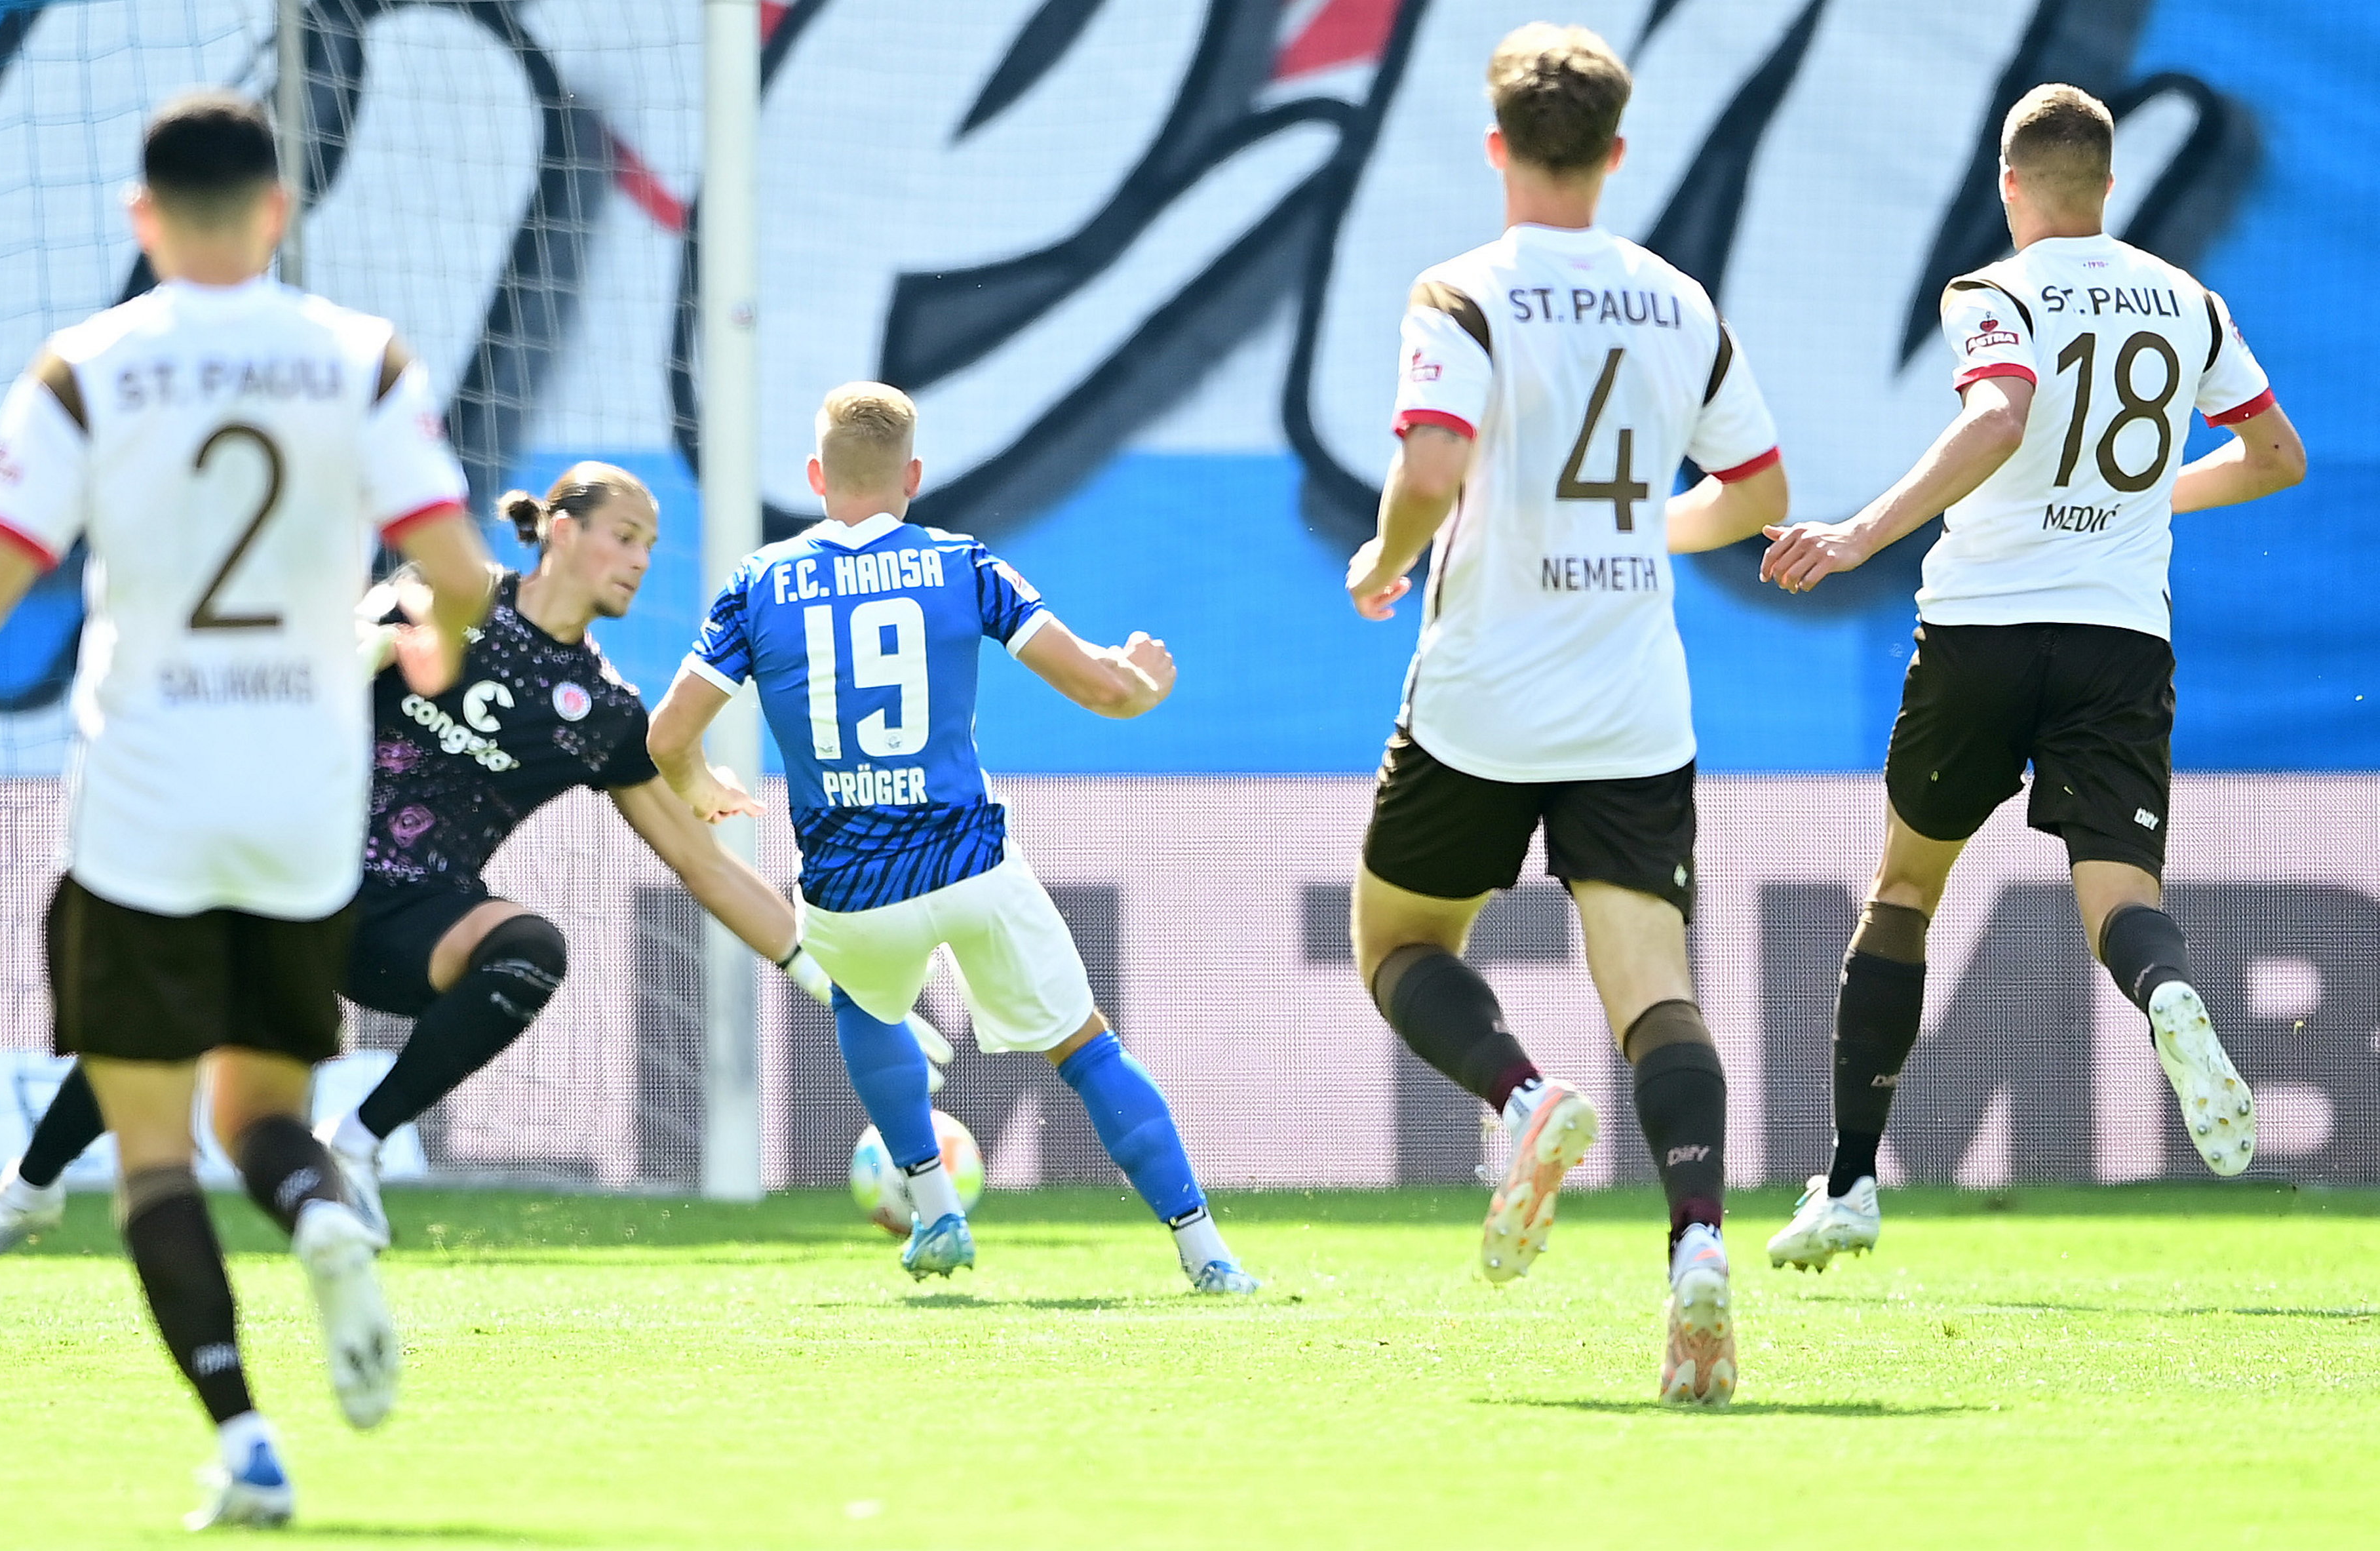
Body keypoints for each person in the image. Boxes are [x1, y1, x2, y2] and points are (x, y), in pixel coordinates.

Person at [0, 90, 497, 1528]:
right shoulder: (358, 358)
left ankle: (246, 1436)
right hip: (300, 799)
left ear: (140, 219)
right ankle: (324, 1214)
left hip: (146, 796)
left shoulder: (90, 368)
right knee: (268, 1109)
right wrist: (437, 645)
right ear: (278, 212)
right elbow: (453, 570)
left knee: (155, 1152)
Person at [0, 461, 954, 1257]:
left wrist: (843, 986)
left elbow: (704, 865)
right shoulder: (440, 600)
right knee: (167, 1030)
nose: (641, 559)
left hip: (407, 925)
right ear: (559, 529)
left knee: (529, 946)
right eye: (624, 536)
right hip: (294, 876)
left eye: (651, 544)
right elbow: (301, 672)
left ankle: (363, 1141)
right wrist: (359, 649)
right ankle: (28, 1187)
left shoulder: (602, 713)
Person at [1760, 84, 2305, 1270]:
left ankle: (1850, 1185)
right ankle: (2163, 993)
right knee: (2120, 899)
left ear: (2006, 184)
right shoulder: (2186, 299)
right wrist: (2148, 492)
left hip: (1983, 627)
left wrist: (1857, 532)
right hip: (2120, 635)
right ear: (2108, 185)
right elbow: (2273, 454)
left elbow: (2000, 420)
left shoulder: (1993, 291)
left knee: (1902, 893)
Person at [1340, 25, 1789, 1406]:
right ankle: (1699, 1246)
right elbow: (1761, 490)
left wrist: (1386, 554)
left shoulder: (1460, 290)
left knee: (1399, 942)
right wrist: (1649, 535)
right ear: (1612, 154)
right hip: (1630, 706)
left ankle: (1523, 1098)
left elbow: (1431, 459)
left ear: (1495, 150)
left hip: (1480, 695)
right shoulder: (1674, 299)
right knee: (1655, 993)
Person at [648, 382, 1257, 1294]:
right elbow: (1098, 685)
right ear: (914, 477)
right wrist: (1144, 686)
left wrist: (701, 785)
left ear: (816, 477)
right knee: (1087, 1049)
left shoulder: (758, 582)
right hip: (971, 863)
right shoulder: (962, 565)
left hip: (851, 889)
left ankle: (936, 1214)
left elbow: (664, 737)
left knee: (863, 1005)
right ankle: (1206, 1253)